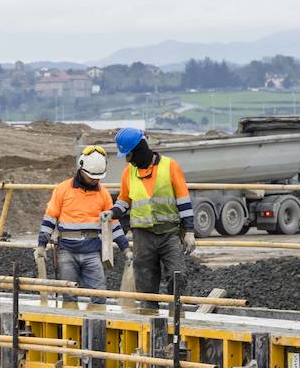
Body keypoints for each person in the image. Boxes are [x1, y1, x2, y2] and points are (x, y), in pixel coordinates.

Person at [102, 127, 196, 296]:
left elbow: (183, 201)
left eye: (129, 156)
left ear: (139, 150)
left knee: (178, 276)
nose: (128, 161)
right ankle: (149, 314)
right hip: (142, 236)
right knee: (145, 282)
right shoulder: (128, 173)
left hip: (169, 234)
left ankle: (177, 315)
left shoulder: (170, 166)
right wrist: (112, 212)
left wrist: (189, 232)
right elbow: (124, 201)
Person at [37, 145, 127, 304]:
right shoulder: (62, 189)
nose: (95, 180)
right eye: (92, 177)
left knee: (99, 296)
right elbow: (50, 218)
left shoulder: (103, 193)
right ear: (82, 169)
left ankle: (97, 325)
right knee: (69, 297)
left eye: (98, 177)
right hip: (66, 252)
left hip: (92, 252)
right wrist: (41, 245)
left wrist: (125, 248)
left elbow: (113, 224)